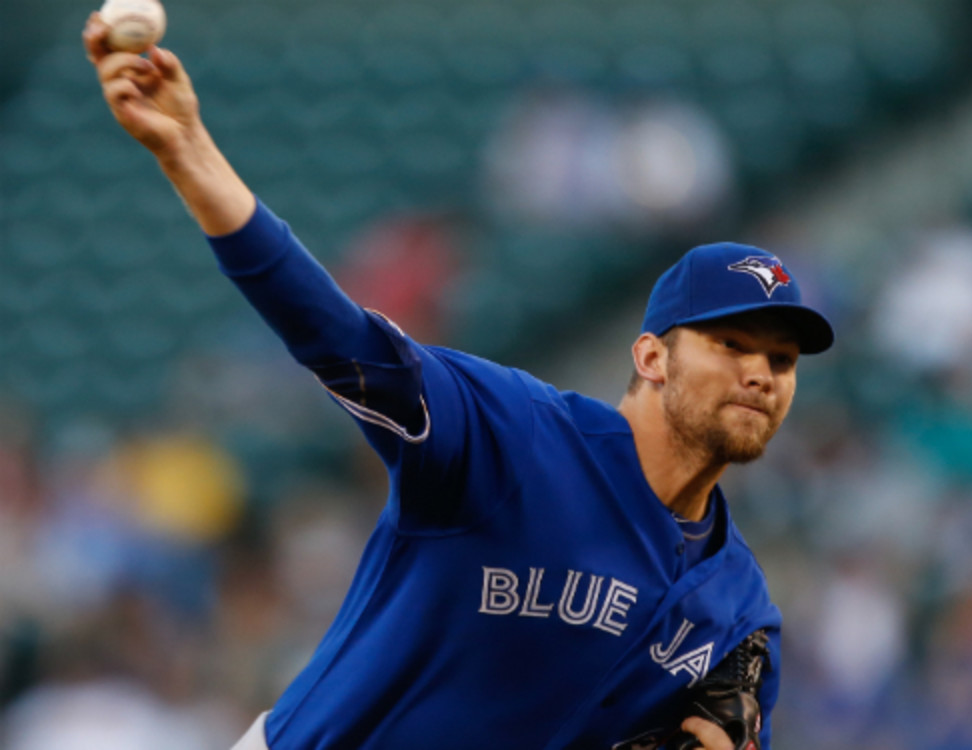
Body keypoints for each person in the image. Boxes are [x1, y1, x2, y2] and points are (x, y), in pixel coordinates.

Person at [82, 13, 834, 750]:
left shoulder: (737, 612)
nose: (759, 373)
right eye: (731, 342)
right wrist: (188, 151)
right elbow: (334, 334)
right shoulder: (512, 439)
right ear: (650, 358)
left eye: (781, 360)